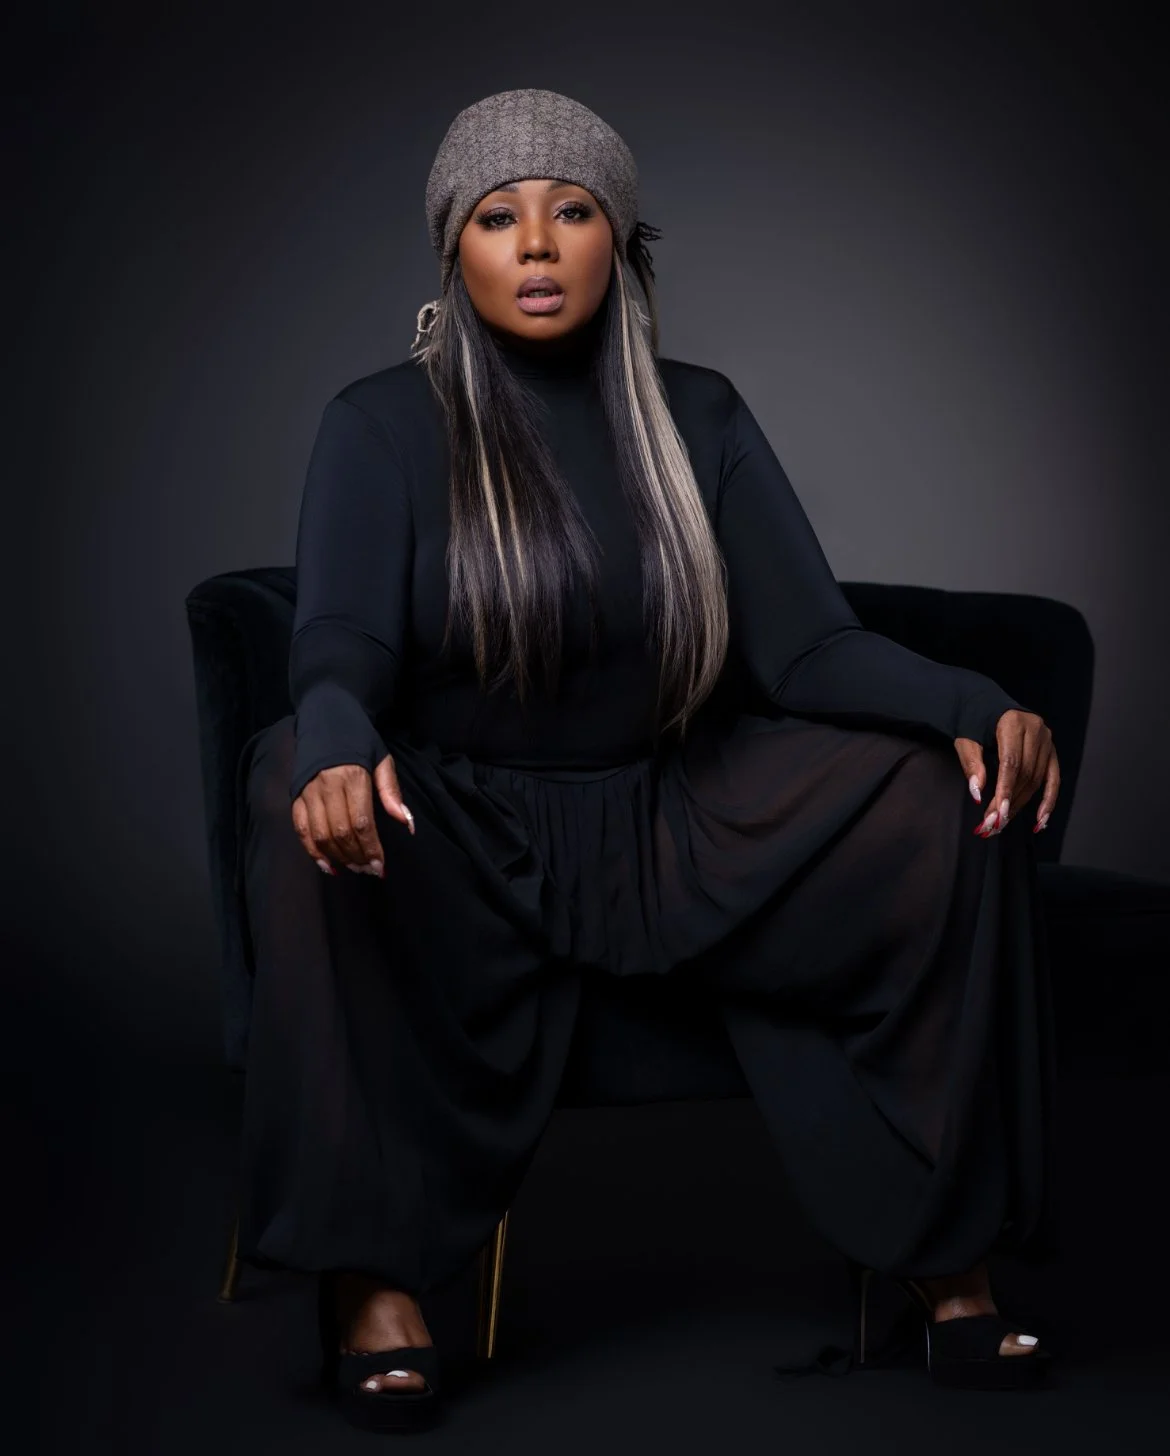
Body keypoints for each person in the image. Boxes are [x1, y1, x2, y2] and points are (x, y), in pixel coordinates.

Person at [236, 88, 1060, 1430]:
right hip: (466, 833)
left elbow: (811, 650)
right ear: (454, 250)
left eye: (571, 212)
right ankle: (371, 1283)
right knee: (291, 778)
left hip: (678, 811)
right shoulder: (379, 424)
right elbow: (339, 638)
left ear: (619, 241)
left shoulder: (699, 414)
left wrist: (970, 698)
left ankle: (944, 1255)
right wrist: (332, 738)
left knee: (932, 799)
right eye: (498, 217)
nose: (537, 243)